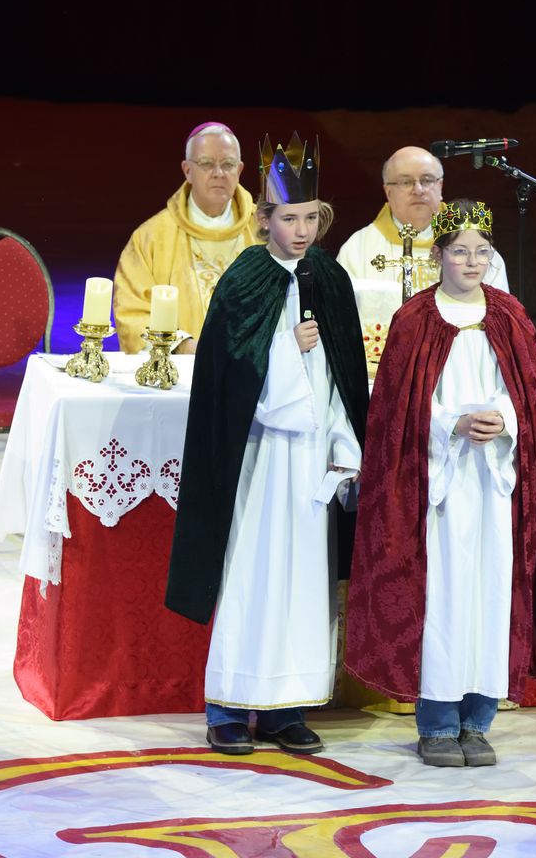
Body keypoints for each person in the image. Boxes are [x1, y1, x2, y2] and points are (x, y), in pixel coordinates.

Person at [345, 199, 536, 767]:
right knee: (444, 598)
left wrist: (506, 419)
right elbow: (396, 410)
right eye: (460, 252)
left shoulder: (510, 317)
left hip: (494, 484)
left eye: (480, 251)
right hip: (438, 488)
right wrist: (451, 423)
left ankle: (479, 718)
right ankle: (438, 722)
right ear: (439, 256)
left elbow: (530, 398)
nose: (471, 262)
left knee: (492, 595)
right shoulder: (416, 320)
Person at [165, 133, 369, 756]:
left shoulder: (331, 279)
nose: (301, 230)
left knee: (306, 583)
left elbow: (345, 374)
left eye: (311, 218)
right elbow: (229, 377)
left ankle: (288, 708)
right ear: (265, 219)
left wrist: (344, 444)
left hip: (309, 459)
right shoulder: (245, 280)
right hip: (257, 459)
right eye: (289, 218)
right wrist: (289, 350)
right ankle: (228, 706)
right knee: (251, 577)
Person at [336, 147, 508, 365]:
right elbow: (342, 321)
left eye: (427, 180)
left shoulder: (475, 248)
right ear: (388, 191)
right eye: (405, 182)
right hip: (383, 368)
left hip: (461, 364)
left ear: (440, 186)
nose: (418, 190)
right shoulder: (358, 249)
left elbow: (499, 317)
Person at [114, 122, 259, 354]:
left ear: (240, 170)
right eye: (206, 164)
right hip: (181, 375)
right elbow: (133, 313)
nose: (219, 173)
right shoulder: (152, 237)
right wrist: (183, 347)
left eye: (228, 164)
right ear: (187, 171)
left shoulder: (265, 231)